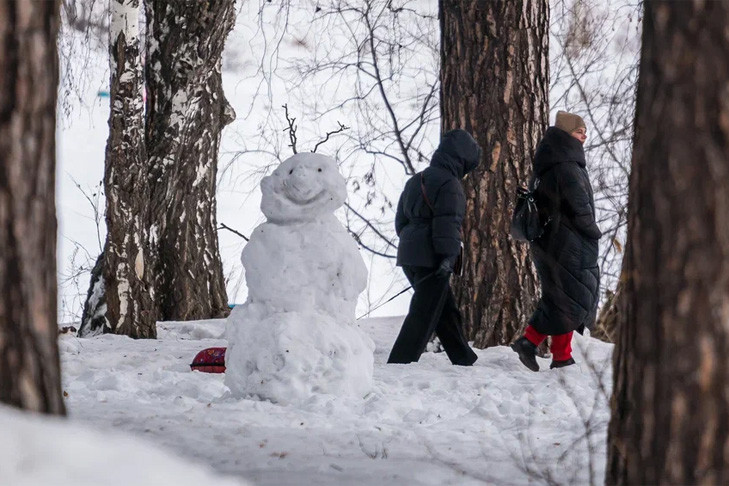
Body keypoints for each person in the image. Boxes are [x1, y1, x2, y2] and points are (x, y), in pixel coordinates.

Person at [511, 111, 601, 371]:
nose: (584, 136)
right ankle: (541, 347)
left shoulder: (551, 160)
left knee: (563, 297)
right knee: (572, 297)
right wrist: (592, 231)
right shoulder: (566, 165)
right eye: (579, 131)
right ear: (566, 133)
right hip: (568, 242)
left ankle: (552, 351)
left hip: (553, 241)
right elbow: (579, 206)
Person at [388, 129, 481, 366]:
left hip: (409, 254)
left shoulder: (415, 180)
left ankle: (463, 357)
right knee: (424, 312)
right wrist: (448, 257)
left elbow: (400, 222)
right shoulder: (450, 184)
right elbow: (448, 223)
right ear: (461, 160)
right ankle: (400, 362)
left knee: (444, 308)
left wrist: (412, 246)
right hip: (433, 257)